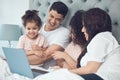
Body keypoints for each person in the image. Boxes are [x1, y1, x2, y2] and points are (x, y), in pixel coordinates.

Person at [33, 8, 120, 80]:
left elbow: (90, 70)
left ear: (92, 26)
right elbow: (85, 69)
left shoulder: (102, 37)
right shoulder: (98, 41)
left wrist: (64, 72)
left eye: (84, 26)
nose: (82, 30)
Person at [27, 1, 70, 67]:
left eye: (58, 19)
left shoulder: (64, 33)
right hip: (27, 65)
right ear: (48, 12)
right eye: (51, 16)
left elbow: (44, 57)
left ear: (63, 19)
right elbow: (25, 47)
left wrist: (18, 58)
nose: (53, 21)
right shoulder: (37, 27)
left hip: (43, 70)